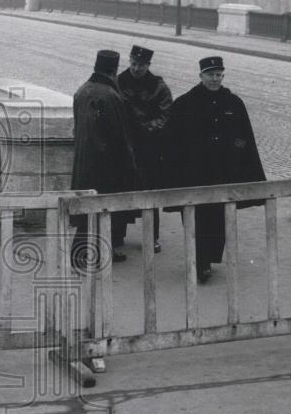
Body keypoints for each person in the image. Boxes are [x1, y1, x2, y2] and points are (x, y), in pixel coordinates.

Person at [165, 56, 265, 283]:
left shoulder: (234, 103)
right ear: (201, 76)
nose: (215, 79)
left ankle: (209, 258)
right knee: (194, 218)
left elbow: (244, 137)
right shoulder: (185, 103)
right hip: (194, 176)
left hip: (222, 174)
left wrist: (238, 153)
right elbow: (172, 142)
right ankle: (200, 262)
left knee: (219, 219)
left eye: (218, 75)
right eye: (210, 74)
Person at [70, 49, 138, 269]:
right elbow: (120, 134)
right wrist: (130, 164)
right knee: (103, 209)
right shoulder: (111, 96)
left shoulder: (82, 91)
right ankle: (85, 255)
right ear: (114, 70)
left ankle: (87, 253)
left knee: (88, 210)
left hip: (84, 159)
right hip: (106, 163)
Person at [116, 44, 173, 253]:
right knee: (121, 189)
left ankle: (152, 237)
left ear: (148, 65)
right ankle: (117, 235)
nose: (136, 68)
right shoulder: (120, 81)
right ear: (129, 61)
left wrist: (149, 128)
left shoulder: (158, 86)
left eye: (141, 65)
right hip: (126, 145)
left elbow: (166, 114)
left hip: (149, 146)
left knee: (149, 192)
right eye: (133, 63)